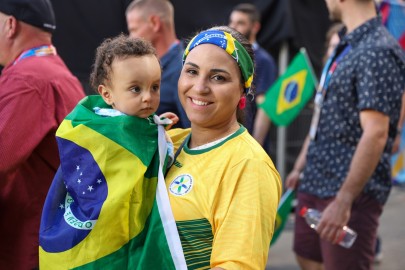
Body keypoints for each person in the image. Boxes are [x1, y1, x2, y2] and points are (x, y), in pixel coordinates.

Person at [39, 35, 186, 269]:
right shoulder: (104, 133)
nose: (147, 97)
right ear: (107, 94)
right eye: (135, 89)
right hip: (104, 231)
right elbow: (154, 159)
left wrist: (157, 127)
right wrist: (157, 136)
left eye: (155, 87)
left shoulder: (128, 122)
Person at [285, 0, 405, 269]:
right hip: (317, 180)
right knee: (306, 255)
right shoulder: (348, 43)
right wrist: (302, 166)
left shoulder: (376, 49)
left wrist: (344, 200)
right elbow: (326, 114)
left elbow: (375, 133)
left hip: (346, 192)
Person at [164, 26, 282, 269]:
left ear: (243, 89)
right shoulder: (168, 142)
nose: (199, 87)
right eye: (192, 71)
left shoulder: (248, 166)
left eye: (218, 77)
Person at [0, 0, 85, 269]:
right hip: (56, 236)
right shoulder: (56, 71)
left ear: (10, 25)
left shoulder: (28, 78)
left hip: (27, 243)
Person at [126, 0, 190, 128]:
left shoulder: (181, 70)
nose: (130, 38)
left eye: (134, 30)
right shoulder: (164, 66)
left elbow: (194, 130)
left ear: (155, 23)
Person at [228, 3, 277, 146]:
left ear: (255, 27)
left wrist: (255, 146)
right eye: (232, 21)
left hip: (248, 143)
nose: (233, 27)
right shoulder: (228, 56)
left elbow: (265, 109)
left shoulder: (263, 60)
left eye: (240, 23)